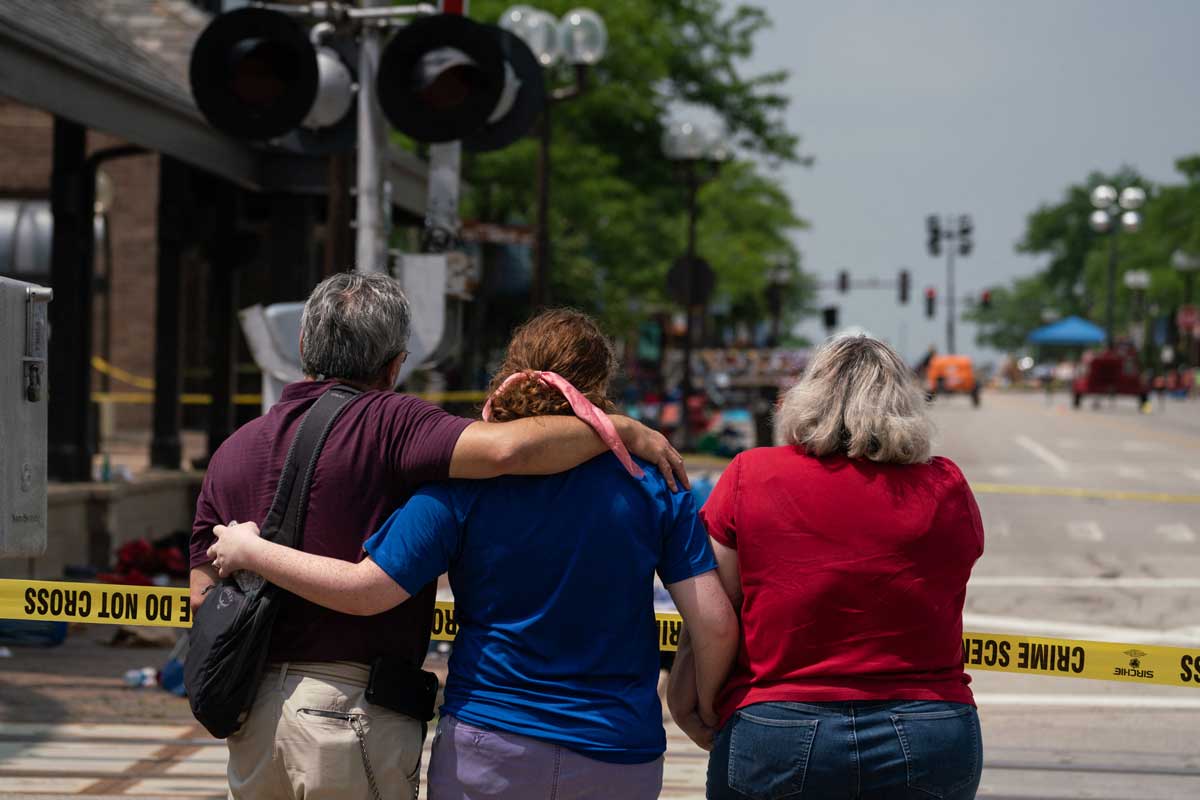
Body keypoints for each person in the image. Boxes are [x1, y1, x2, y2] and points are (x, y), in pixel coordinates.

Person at [207, 308, 739, 800]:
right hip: (619, 750)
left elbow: (367, 588)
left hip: (489, 746)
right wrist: (699, 705)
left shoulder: (461, 486)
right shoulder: (655, 487)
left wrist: (253, 550)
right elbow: (713, 623)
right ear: (601, 387)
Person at [669, 334, 985, 800]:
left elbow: (714, 615)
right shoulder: (946, 484)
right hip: (929, 728)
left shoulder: (750, 474)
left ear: (807, 397)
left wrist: (700, 698)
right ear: (906, 405)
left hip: (778, 726)